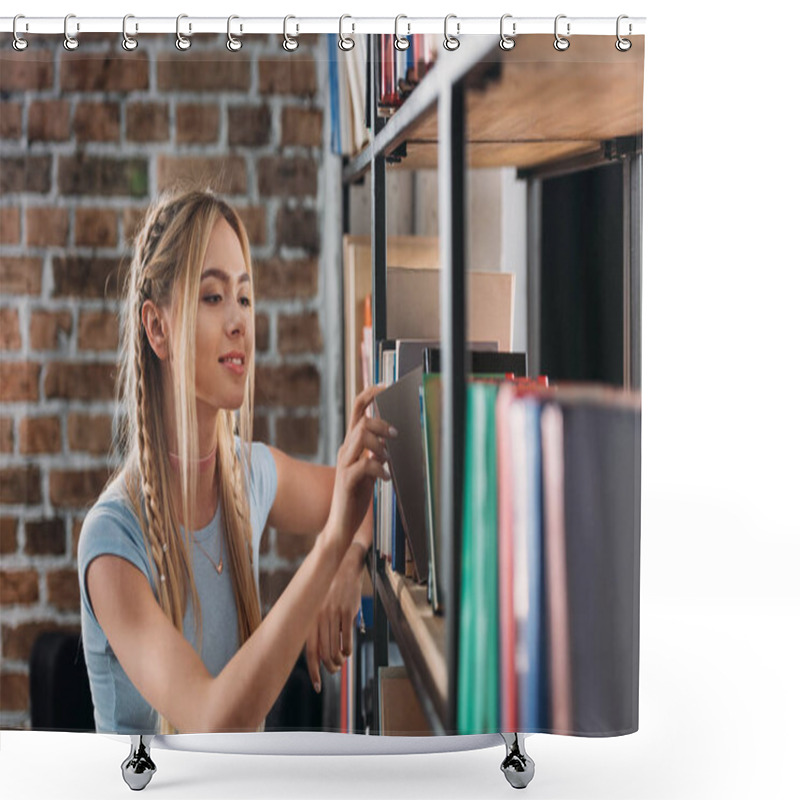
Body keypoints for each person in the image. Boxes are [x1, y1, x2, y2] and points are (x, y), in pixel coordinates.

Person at [77, 187, 394, 734]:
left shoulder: (251, 475)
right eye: (212, 297)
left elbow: (367, 495)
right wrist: (329, 550)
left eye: (244, 298)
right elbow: (211, 722)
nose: (239, 322)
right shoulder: (111, 542)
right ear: (157, 328)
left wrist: (348, 561)